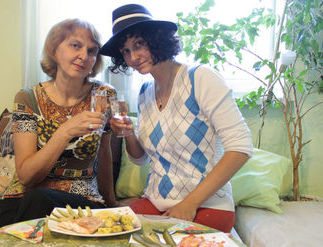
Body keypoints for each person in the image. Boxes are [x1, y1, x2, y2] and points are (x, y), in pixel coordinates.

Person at [99, 4, 253, 233]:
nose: (133, 57)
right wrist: (128, 133)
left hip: (207, 206)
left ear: (157, 39)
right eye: (126, 51)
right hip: (156, 202)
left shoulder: (200, 78)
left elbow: (241, 147)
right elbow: (141, 159)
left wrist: (189, 203)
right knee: (106, 239)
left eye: (139, 44)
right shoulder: (144, 93)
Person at [0, 19, 118, 227]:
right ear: (54, 50)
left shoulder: (104, 96)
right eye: (75, 45)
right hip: (25, 199)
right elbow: (26, 177)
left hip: (82, 202)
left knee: (48, 207)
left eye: (91, 51)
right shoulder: (27, 98)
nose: (84, 56)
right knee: (40, 198)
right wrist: (65, 132)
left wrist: (112, 205)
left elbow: (104, 155)